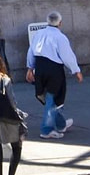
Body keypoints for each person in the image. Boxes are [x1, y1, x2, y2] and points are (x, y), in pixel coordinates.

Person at [25, 11, 82, 139]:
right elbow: (67, 56)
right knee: (52, 98)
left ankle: (61, 124)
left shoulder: (39, 34)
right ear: (60, 23)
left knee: (46, 97)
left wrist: (30, 68)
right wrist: (76, 70)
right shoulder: (60, 37)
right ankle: (46, 130)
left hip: (39, 66)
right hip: (53, 69)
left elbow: (31, 51)